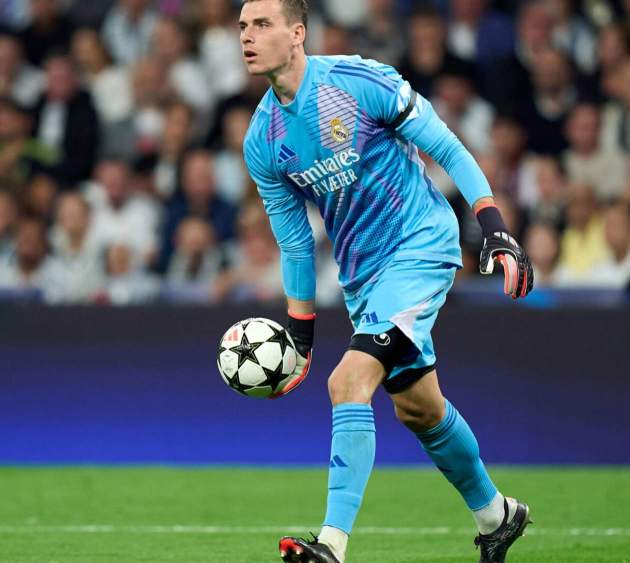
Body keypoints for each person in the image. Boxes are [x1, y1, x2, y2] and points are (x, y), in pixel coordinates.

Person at [237, 2, 534, 562]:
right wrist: (300, 336)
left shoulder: (357, 80)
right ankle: (497, 516)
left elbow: (445, 146)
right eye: (243, 28)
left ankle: (331, 546)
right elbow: (297, 243)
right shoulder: (262, 140)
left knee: (348, 382)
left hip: (421, 246)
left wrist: (494, 226)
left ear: (297, 33)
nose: (247, 37)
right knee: (419, 409)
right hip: (364, 277)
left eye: (261, 25)